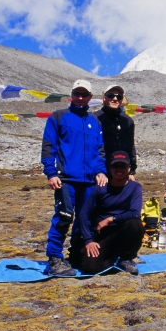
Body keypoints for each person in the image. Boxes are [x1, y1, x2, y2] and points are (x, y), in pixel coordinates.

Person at [41, 79, 108, 276]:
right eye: (77, 94)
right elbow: (48, 147)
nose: (80, 98)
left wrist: (101, 171)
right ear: (71, 95)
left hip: (89, 182)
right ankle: (54, 258)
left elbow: (100, 151)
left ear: (90, 97)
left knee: (84, 219)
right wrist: (51, 173)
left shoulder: (94, 121)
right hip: (66, 180)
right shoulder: (58, 117)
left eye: (84, 94)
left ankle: (76, 256)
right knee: (63, 217)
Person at [77, 151, 145, 275]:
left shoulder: (135, 187)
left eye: (122, 166)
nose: (119, 169)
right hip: (102, 235)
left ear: (129, 168)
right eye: (115, 166)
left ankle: (126, 257)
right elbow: (84, 214)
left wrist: (110, 219)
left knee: (135, 224)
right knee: (90, 267)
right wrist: (88, 240)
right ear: (110, 168)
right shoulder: (100, 189)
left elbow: (135, 213)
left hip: (123, 232)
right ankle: (113, 257)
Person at [94, 84, 137, 180]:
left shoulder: (127, 120)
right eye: (110, 95)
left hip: (122, 168)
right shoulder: (94, 118)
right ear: (104, 98)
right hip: (100, 171)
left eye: (119, 96)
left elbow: (130, 146)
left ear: (122, 100)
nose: (115, 99)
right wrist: (98, 170)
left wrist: (132, 170)